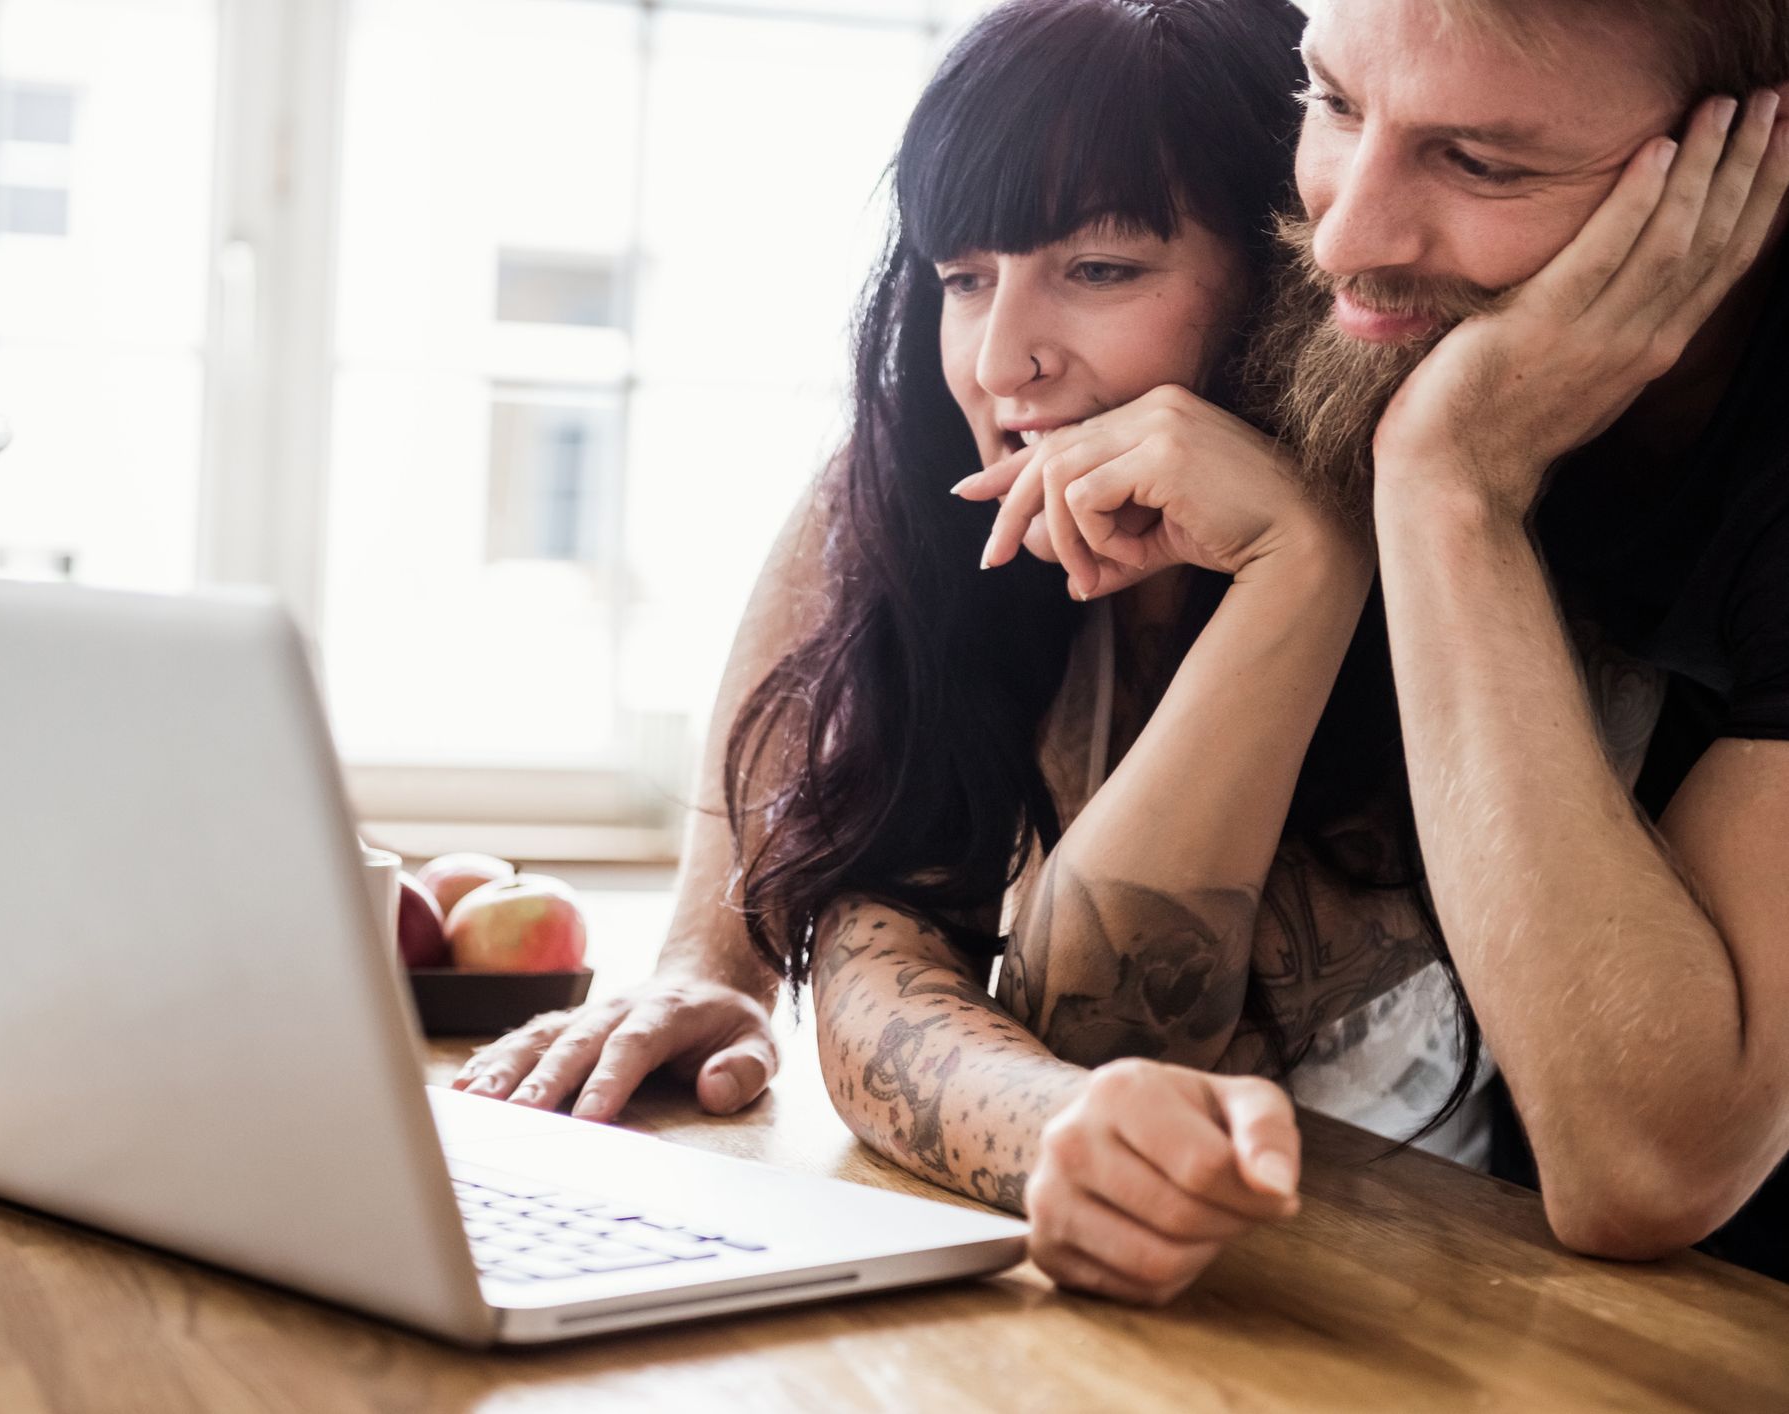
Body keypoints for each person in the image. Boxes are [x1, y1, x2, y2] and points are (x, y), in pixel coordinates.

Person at [464, 0, 1789, 1290]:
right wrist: (720, 948)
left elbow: (1646, 1168)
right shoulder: (1044, 448)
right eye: (1330, 101)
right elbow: (909, 939)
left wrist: (1383, 511)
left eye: (1100, 269)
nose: (1001, 361)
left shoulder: (1470, 427)